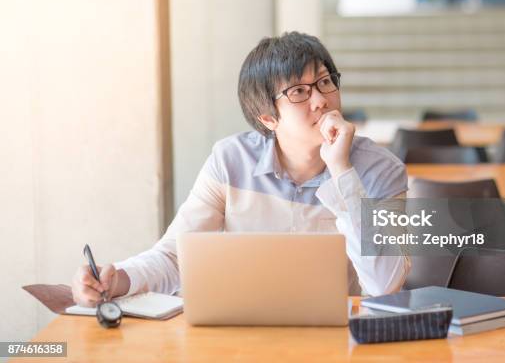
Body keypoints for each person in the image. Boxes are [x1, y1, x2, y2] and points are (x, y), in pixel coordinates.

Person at [71, 32, 410, 307]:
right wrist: (118, 281)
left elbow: (384, 284)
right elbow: (176, 256)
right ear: (268, 118)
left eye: (325, 82)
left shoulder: (382, 170)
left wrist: (342, 171)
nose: (320, 100)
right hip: (239, 335)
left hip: (335, 340)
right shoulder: (230, 160)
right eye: (299, 92)